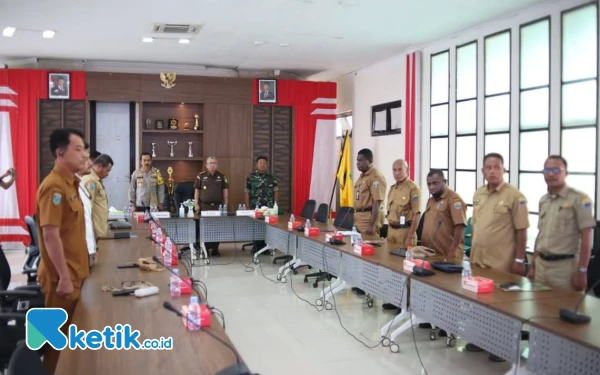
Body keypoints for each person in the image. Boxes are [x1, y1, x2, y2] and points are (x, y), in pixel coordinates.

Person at [35, 128, 89, 374]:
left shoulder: (71, 184)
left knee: (72, 338)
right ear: (60, 152)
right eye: (77, 149)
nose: (83, 154)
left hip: (75, 273)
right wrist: (65, 277)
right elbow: (50, 234)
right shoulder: (54, 187)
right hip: (61, 279)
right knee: (58, 344)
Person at [467, 153, 529, 362]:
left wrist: (519, 260)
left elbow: (522, 231)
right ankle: (480, 339)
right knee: (478, 302)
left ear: (504, 170)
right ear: (483, 171)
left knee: (502, 305)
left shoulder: (515, 196)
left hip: (501, 262)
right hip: (478, 259)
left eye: (496, 167)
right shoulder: (479, 193)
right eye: (488, 167)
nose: (492, 171)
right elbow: (476, 225)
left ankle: (502, 346)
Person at [528, 155, 595, 291]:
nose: (551, 174)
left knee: (563, 308)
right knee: (539, 308)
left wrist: (582, 271)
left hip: (565, 268)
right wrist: (533, 265)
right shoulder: (543, 200)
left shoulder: (579, 199)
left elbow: (587, 238)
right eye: (547, 170)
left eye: (556, 170)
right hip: (541, 266)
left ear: (566, 173)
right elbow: (540, 234)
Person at [421, 169, 467, 259]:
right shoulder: (431, 201)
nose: (432, 187)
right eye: (429, 184)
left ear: (444, 182)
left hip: (447, 254)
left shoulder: (454, 199)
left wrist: (453, 250)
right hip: (430, 252)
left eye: (435, 183)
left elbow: (460, 226)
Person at [194, 156, 229, 257]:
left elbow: (225, 193)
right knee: (204, 228)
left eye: (214, 163)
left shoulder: (222, 176)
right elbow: (197, 190)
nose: (212, 165)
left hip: (218, 207)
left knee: (217, 229)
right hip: (204, 206)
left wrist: (225, 206)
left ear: (217, 165)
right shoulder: (201, 176)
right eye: (210, 163)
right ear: (206, 165)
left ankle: (215, 249)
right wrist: (196, 203)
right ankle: (204, 249)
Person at [245, 156, 278, 254]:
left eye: (264, 163)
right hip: (256, 206)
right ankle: (256, 247)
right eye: (260, 163)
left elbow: (276, 191)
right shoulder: (251, 177)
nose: (262, 164)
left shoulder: (272, 177)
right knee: (256, 226)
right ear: (257, 164)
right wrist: (247, 206)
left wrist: (275, 204)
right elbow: (247, 192)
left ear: (267, 165)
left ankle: (266, 247)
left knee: (267, 227)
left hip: (269, 207)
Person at [386, 159, 420, 247]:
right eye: (394, 170)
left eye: (400, 169)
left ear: (407, 170)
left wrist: (410, 237)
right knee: (389, 259)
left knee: (402, 260)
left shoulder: (413, 188)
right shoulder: (392, 188)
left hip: (404, 232)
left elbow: (417, 215)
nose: (397, 173)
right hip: (391, 231)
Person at [353, 149, 386, 236]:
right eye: (357, 160)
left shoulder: (375, 177)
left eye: (361, 160)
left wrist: (372, 224)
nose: (358, 163)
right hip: (359, 219)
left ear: (370, 161)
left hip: (368, 220)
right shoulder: (362, 177)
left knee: (368, 246)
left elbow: (377, 202)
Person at [83, 154, 113, 240]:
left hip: (100, 229)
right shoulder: (91, 181)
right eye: (107, 171)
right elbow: (88, 208)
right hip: (95, 232)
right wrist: (91, 232)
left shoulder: (96, 180)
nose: (107, 174)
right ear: (99, 166)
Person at [76, 144, 96, 266]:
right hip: (73, 260)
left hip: (84, 253)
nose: (90, 164)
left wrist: (91, 248)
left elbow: (87, 220)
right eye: (86, 159)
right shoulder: (57, 187)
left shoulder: (80, 183)